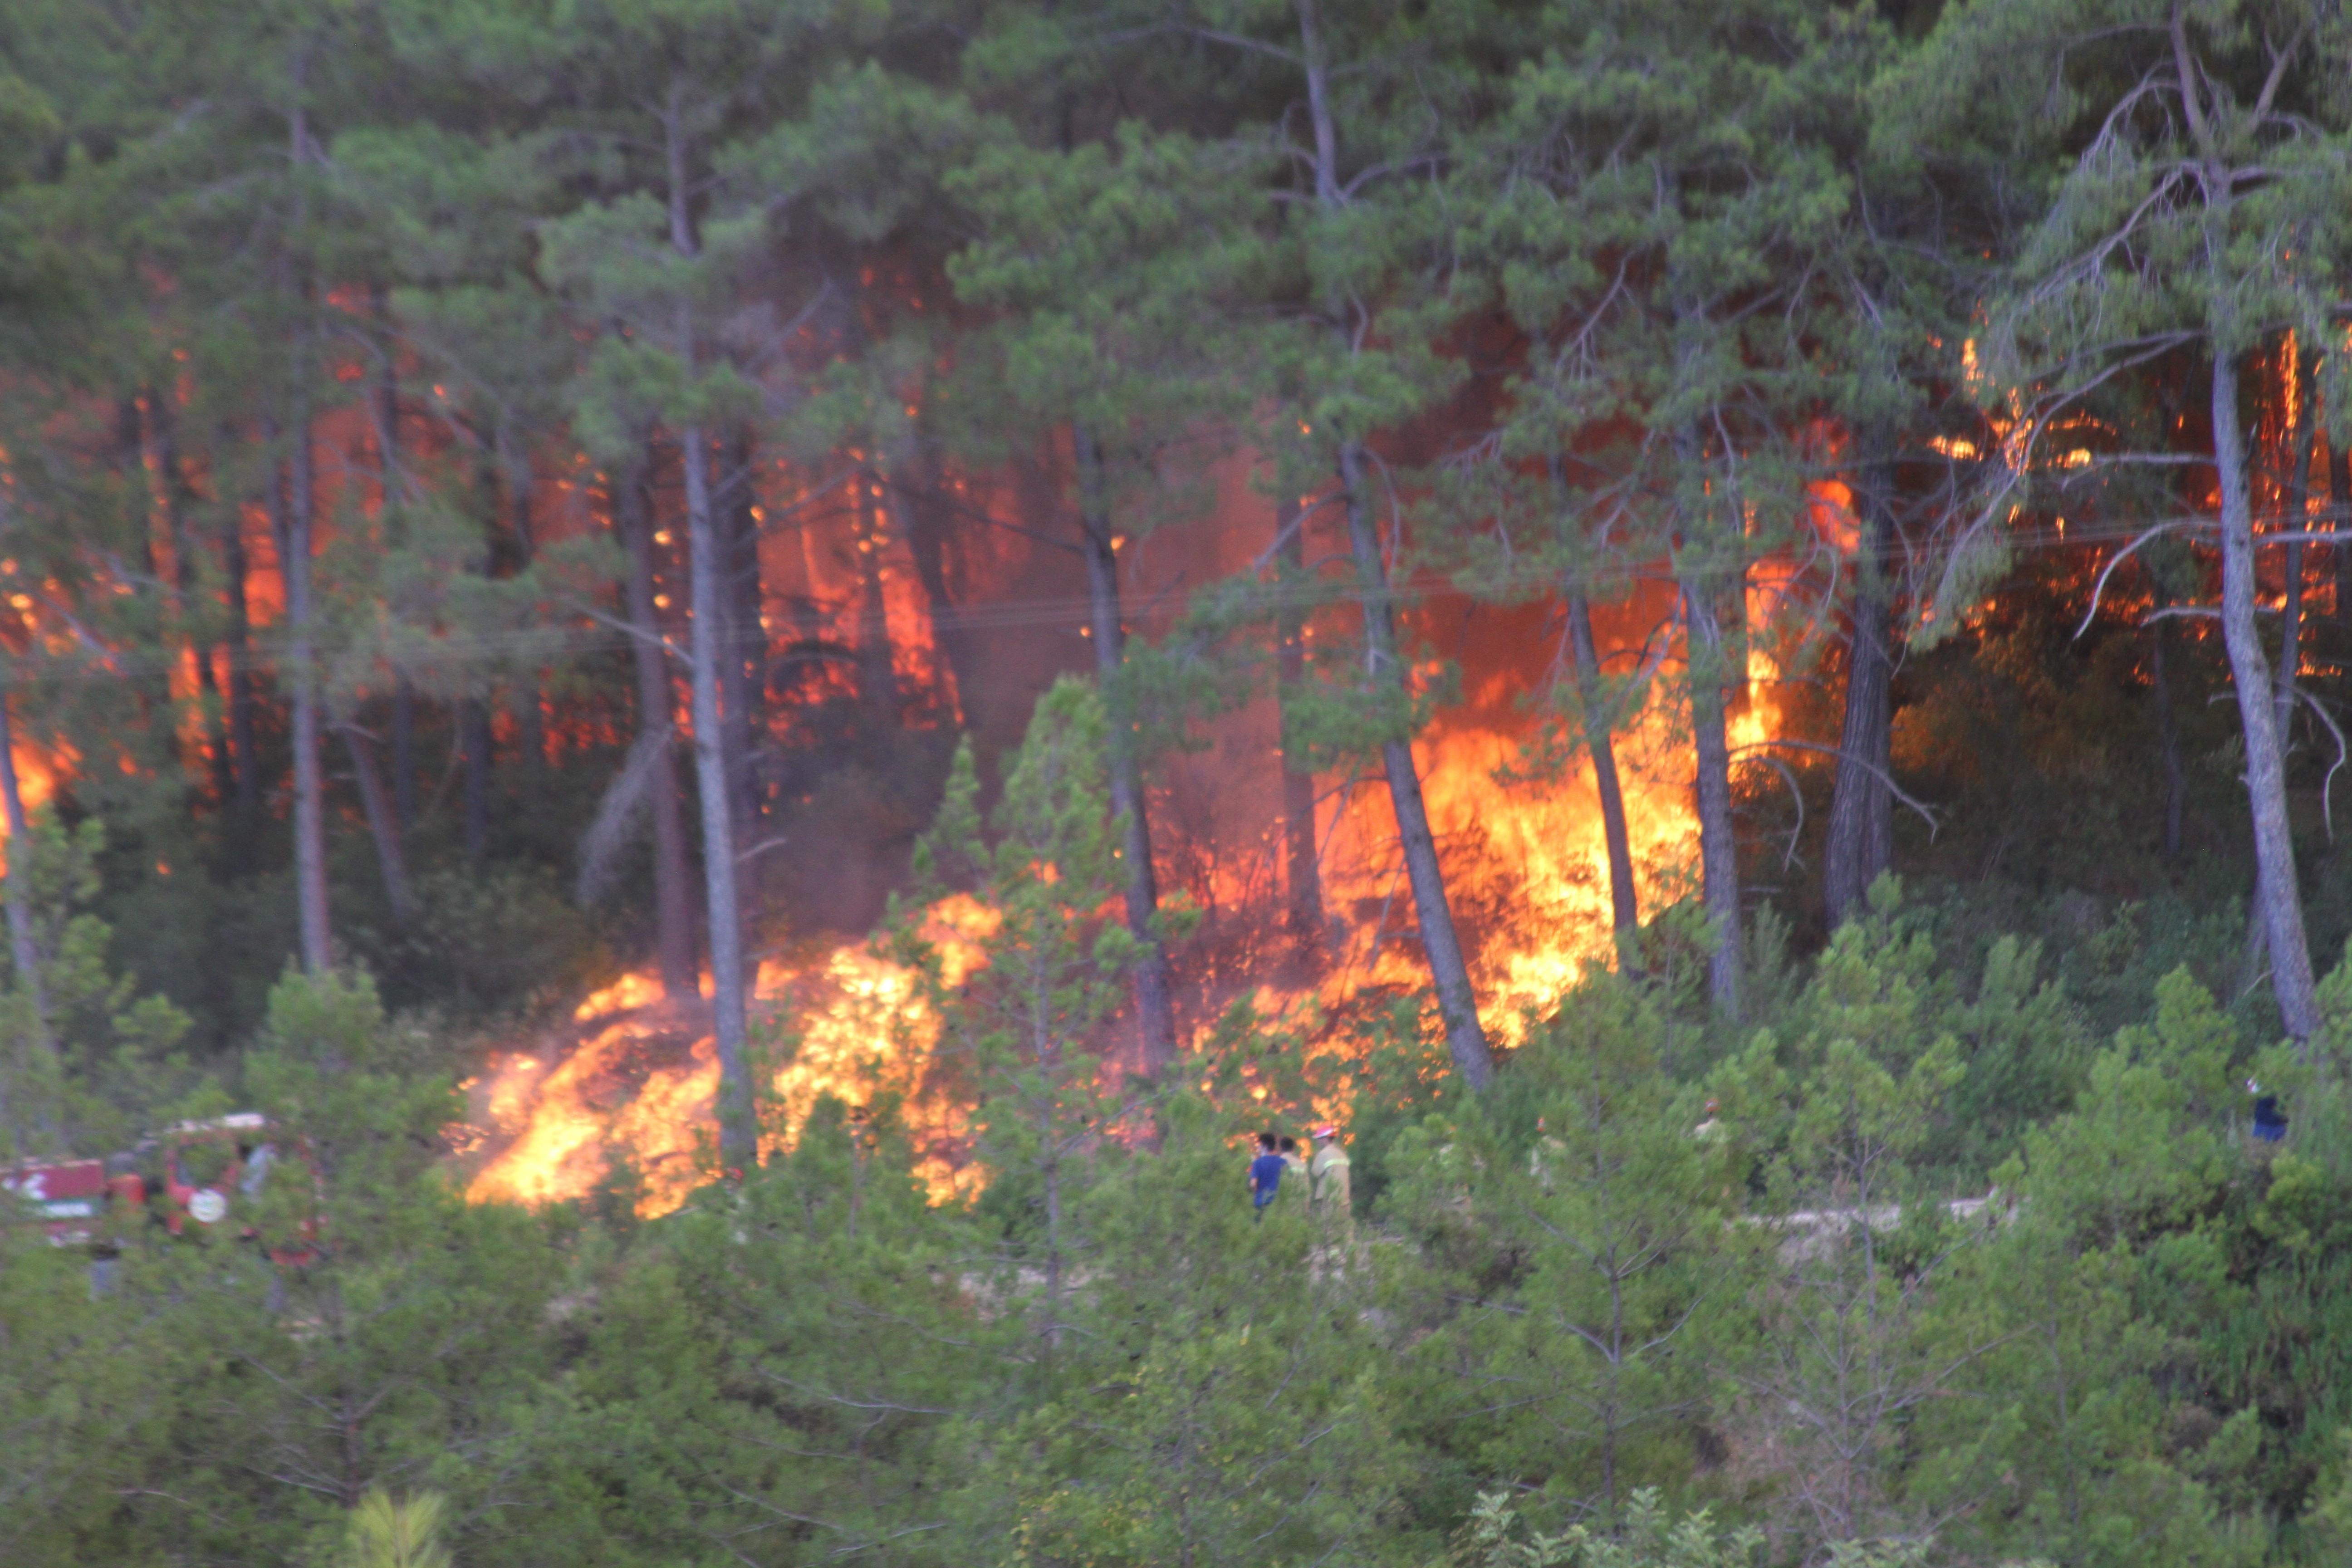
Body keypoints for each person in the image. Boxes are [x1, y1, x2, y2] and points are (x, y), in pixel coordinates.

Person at [1308, 1124, 1352, 1254]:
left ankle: (1334, 1258)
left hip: (1330, 1197)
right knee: (1345, 1228)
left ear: (1325, 1139)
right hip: (1345, 1197)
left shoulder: (1324, 1153)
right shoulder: (1342, 1153)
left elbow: (1315, 1172)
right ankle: (1350, 1255)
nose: (1318, 1142)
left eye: (1319, 1139)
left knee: (1331, 1228)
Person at [1249, 1132, 1286, 1222]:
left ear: (1265, 1146)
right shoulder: (1283, 1162)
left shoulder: (1258, 1163)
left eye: (1259, 1145)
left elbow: (1253, 1184)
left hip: (1261, 1202)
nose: (1258, 1148)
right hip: (1278, 1203)